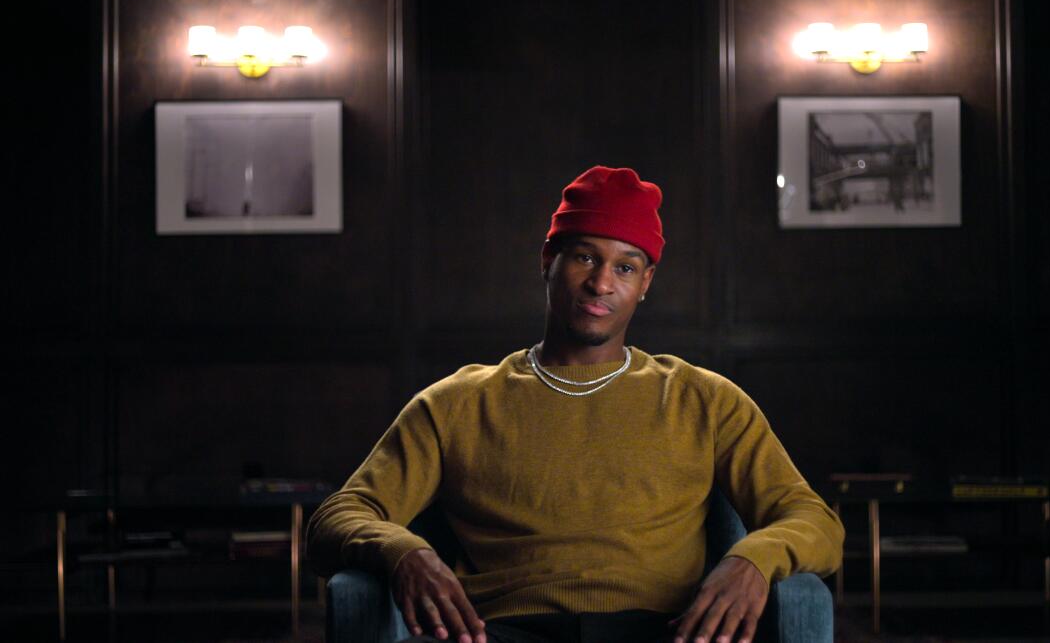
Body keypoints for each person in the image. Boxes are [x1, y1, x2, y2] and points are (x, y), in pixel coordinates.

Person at [307, 166, 844, 643]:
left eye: (626, 267)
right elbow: (338, 516)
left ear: (646, 282)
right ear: (549, 259)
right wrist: (403, 552)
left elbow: (813, 519)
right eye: (585, 256)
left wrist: (753, 558)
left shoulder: (704, 399)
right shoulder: (457, 403)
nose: (601, 283)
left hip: (667, 630)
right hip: (498, 630)